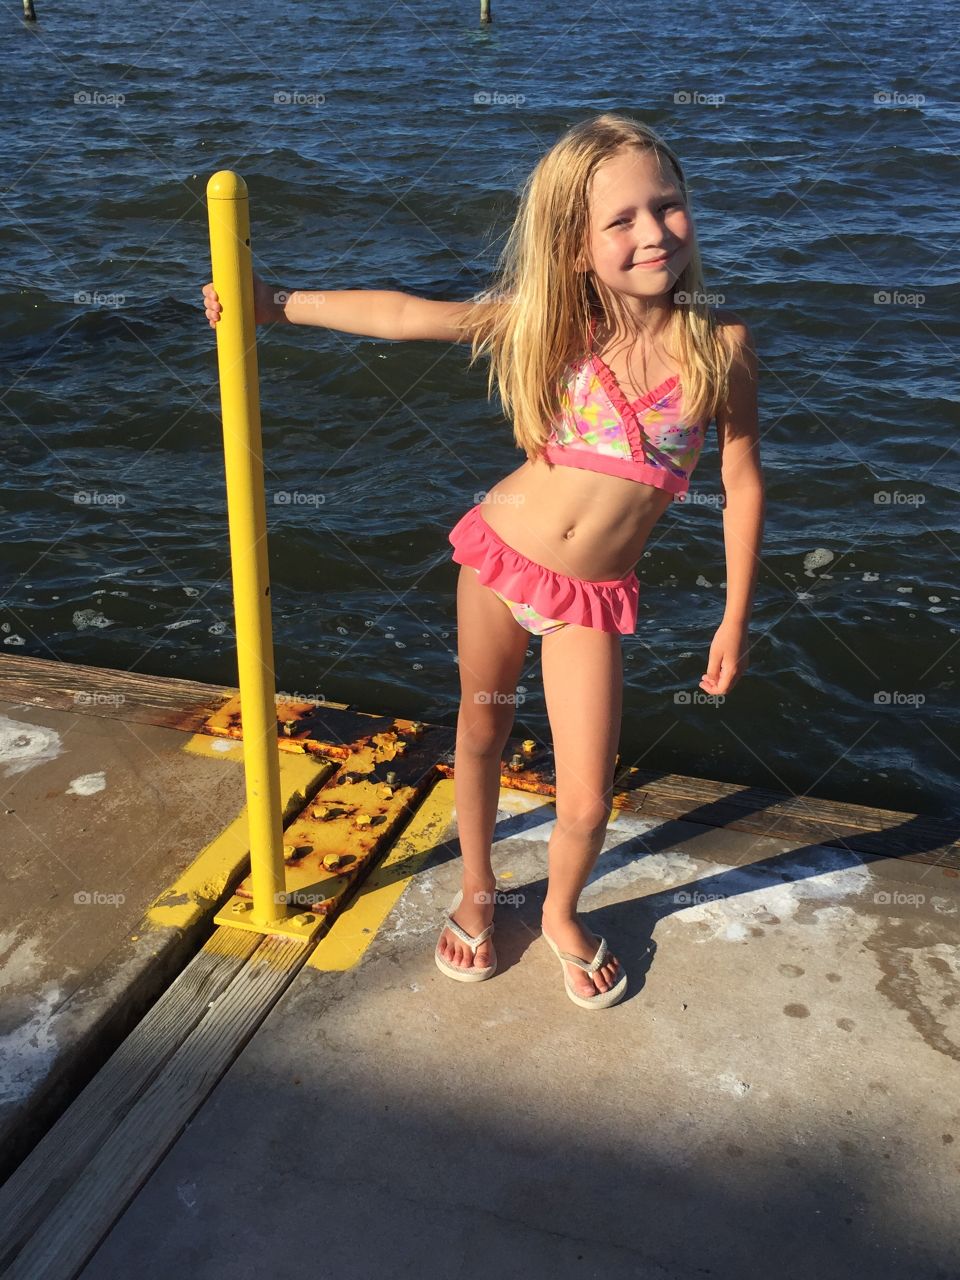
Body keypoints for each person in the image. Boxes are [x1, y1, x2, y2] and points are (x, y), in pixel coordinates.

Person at [201, 111, 764, 1012]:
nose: (653, 233)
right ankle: (476, 891)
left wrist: (734, 616)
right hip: (501, 564)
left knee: (586, 798)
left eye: (668, 205)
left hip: (590, 600)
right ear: (577, 248)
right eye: (620, 220)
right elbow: (407, 317)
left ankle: (561, 913)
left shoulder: (719, 344)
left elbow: (741, 482)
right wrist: (276, 304)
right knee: (480, 732)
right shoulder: (554, 326)